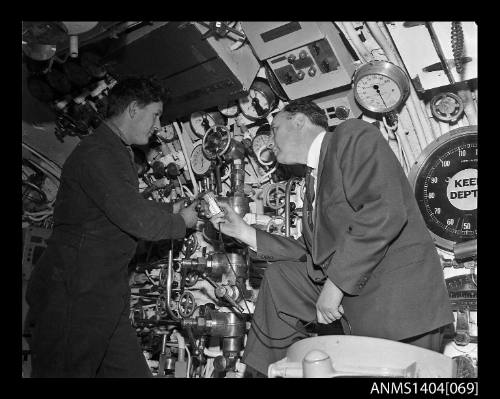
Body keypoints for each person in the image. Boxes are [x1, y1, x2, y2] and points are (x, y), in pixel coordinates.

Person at [211, 100, 454, 376]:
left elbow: (383, 209)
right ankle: (262, 371)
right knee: (282, 277)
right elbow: (311, 255)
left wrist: (335, 285)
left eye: (275, 127)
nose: (269, 141)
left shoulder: (350, 136)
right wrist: (243, 231)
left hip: (397, 308)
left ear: (299, 121)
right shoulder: (313, 180)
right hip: (359, 307)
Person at [25, 76, 199, 377]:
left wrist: (169, 208)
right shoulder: (99, 153)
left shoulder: (115, 152)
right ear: (133, 109)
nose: (158, 125)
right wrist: (179, 222)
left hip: (103, 294)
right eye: (155, 114)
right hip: (75, 293)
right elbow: (136, 219)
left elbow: (117, 209)